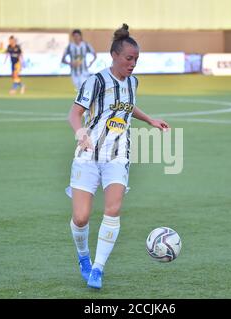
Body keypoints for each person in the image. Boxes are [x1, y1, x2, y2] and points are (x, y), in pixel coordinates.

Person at [65, 24, 170, 289]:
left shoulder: (133, 82)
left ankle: (98, 269)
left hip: (118, 156)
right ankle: (84, 258)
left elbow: (127, 105)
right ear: (114, 55)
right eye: (129, 58)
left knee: (112, 209)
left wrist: (149, 120)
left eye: (136, 59)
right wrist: (81, 134)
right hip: (88, 155)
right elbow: (74, 113)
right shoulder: (96, 81)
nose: (133, 64)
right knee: (81, 217)